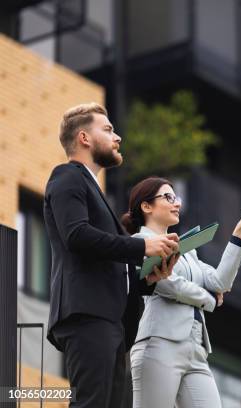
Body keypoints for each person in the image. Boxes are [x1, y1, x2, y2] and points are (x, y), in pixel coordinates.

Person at [43, 103, 181, 408]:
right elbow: (76, 235)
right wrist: (142, 246)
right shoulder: (67, 176)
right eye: (107, 129)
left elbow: (112, 264)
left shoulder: (94, 190)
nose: (117, 137)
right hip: (88, 314)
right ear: (84, 138)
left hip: (113, 323)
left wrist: (150, 279)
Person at [121, 176, 241, 408]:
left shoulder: (186, 250)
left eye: (176, 197)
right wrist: (207, 299)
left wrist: (238, 236)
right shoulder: (141, 242)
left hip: (196, 349)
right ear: (146, 206)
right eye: (168, 197)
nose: (176, 203)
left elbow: (219, 282)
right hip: (160, 343)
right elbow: (168, 284)